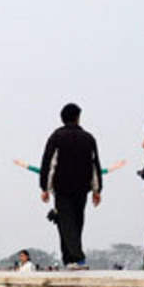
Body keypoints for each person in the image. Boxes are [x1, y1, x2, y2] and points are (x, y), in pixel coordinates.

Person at [39, 102, 102, 269]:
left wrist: (45, 188)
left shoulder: (57, 137)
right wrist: (97, 190)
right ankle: (72, 258)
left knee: (66, 221)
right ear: (78, 118)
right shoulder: (88, 138)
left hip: (62, 187)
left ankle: (73, 258)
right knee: (77, 221)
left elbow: (49, 164)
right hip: (82, 187)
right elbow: (95, 165)